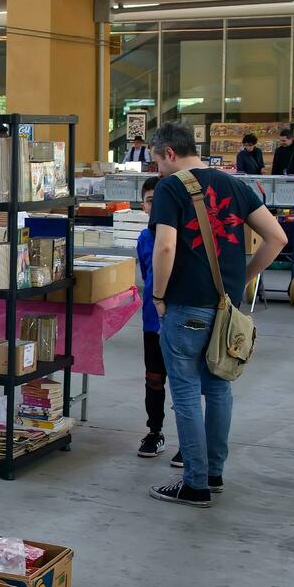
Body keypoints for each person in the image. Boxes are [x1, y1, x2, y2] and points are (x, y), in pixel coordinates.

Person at [146, 122, 285, 508]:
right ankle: (213, 473)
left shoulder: (171, 188)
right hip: (225, 308)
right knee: (219, 387)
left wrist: (159, 295)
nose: (157, 170)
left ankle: (194, 483)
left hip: (186, 305)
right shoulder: (235, 185)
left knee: (187, 393)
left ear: (169, 153)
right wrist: (243, 277)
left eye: (156, 161)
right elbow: (277, 238)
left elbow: (165, 249)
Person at [135, 177, 168, 459]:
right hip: (151, 321)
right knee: (153, 380)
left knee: (185, 384)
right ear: (143, 206)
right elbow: (148, 277)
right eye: (149, 201)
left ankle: (190, 443)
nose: (155, 206)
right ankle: (154, 431)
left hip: (178, 320)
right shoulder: (144, 238)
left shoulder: (181, 236)